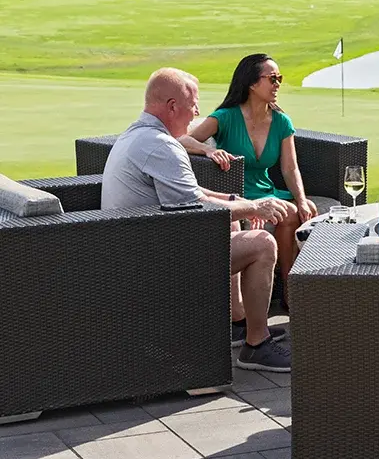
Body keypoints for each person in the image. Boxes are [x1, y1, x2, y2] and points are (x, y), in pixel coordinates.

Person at [102, 68, 294, 373]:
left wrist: (240, 203)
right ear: (172, 105)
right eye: (193, 104)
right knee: (263, 243)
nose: (197, 112)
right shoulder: (161, 146)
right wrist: (256, 206)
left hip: (133, 247)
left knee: (230, 222)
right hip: (151, 262)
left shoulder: (138, 134)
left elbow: (191, 192)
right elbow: (196, 205)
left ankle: (238, 322)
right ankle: (257, 345)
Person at [181, 54, 318, 306]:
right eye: (272, 78)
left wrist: (302, 199)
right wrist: (209, 151)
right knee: (286, 213)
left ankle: (287, 287)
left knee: (295, 212)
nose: (278, 84)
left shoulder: (281, 121)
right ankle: (282, 288)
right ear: (252, 84)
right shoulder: (225, 117)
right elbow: (182, 140)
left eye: (280, 79)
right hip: (235, 194)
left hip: (268, 191)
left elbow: (290, 167)